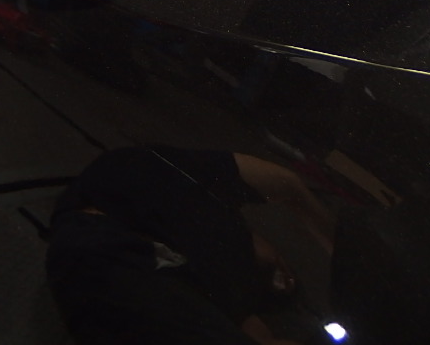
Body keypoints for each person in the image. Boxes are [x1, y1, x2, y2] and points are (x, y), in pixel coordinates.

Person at [46, 146, 334, 345]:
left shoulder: (224, 288)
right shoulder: (198, 179)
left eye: (280, 285)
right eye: (283, 273)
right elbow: (288, 184)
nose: (284, 277)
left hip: (125, 259)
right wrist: (342, 252)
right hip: (104, 242)